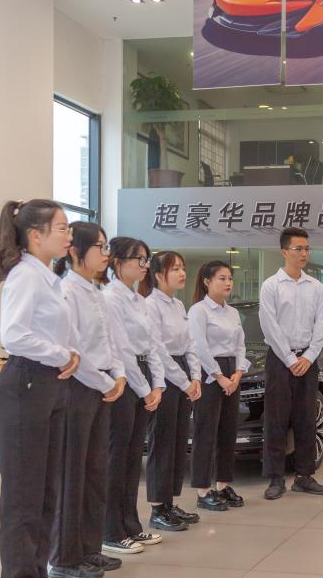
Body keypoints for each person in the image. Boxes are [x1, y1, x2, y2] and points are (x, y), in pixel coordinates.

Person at [0, 199, 80, 578]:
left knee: (45, 489)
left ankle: (37, 577)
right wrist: (61, 354)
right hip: (25, 383)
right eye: (61, 228)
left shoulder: (49, 277)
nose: (68, 234)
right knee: (23, 494)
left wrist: (68, 354)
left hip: (47, 385)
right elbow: (13, 335)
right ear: (36, 236)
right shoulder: (25, 275)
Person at [50, 223, 128, 578]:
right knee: (72, 474)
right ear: (75, 251)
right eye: (99, 247)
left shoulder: (97, 292)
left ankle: (89, 547)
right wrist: (107, 382)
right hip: (79, 388)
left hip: (101, 386)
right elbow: (74, 350)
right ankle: (64, 557)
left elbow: (110, 343)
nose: (106, 254)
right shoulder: (67, 291)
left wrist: (119, 375)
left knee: (95, 470)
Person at [102, 237, 166, 556]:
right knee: (117, 456)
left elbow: (152, 345)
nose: (145, 265)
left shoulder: (139, 299)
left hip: (143, 377)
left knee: (132, 456)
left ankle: (130, 524)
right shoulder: (110, 297)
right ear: (117, 262)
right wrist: (144, 389)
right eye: (139, 259)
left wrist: (158, 384)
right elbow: (122, 349)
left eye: (146, 259)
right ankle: (110, 530)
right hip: (123, 378)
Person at [259, 227, 323, 500]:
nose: (304, 253)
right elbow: (270, 326)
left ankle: (304, 476)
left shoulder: (316, 287)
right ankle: (276, 478)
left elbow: (321, 325)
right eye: (298, 248)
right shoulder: (271, 286)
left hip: (308, 361)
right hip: (279, 360)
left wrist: (309, 357)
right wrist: (290, 359)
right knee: (276, 420)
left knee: (306, 419)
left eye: (307, 248)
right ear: (284, 251)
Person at [140, 251, 203, 528]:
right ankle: (157, 508)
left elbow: (190, 344)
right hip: (162, 376)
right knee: (162, 442)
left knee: (178, 442)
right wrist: (184, 381)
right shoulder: (150, 305)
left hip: (183, 373)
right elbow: (158, 350)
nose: (182, 273)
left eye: (182, 267)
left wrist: (196, 377)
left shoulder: (178, 305)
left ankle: (170, 503)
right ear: (158, 275)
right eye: (175, 268)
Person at [188, 261, 250, 511]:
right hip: (208, 373)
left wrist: (237, 373)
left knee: (228, 431)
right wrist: (219, 376)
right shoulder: (199, 310)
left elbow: (240, 345)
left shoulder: (232, 312)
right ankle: (203, 490)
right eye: (222, 278)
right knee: (206, 432)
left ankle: (223, 485)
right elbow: (199, 347)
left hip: (232, 371)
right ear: (207, 282)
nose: (228, 283)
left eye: (230, 278)